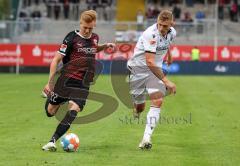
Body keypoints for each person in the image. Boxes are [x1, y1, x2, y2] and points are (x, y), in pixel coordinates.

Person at [42, 10, 115, 151]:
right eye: (85, 27)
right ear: (80, 23)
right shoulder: (71, 38)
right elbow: (56, 59)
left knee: (74, 110)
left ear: (94, 25)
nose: (87, 31)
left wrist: (104, 46)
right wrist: (50, 82)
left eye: (90, 28)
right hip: (66, 80)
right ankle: (58, 99)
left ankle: (52, 141)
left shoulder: (95, 37)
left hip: (83, 83)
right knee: (50, 112)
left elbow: (93, 49)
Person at [127, 10, 177, 150]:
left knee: (158, 100)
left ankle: (146, 138)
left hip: (154, 72)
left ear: (171, 24)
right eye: (160, 24)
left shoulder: (172, 32)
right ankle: (136, 110)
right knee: (140, 107)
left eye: (165, 26)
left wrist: (169, 54)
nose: (161, 28)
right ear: (157, 21)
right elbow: (150, 62)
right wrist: (167, 81)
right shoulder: (151, 34)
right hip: (138, 70)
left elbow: (167, 42)